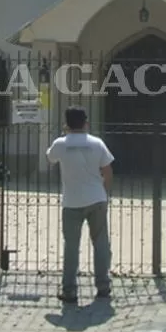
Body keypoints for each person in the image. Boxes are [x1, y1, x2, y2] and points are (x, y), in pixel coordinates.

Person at [45, 105, 114, 305]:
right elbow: (108, 171)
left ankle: (70, 291)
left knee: (71, 247)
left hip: (72, 201)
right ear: (86, 123)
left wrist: (65, 136)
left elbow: (50, 158)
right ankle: (103, 287)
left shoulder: (61, 143)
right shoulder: (97, 143)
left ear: (67, 124)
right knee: (100, 243)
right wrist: (105, 192)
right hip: (96, 199)